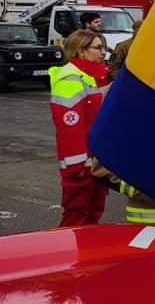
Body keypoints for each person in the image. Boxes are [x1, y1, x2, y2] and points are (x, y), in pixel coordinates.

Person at [49, 29, 110, 227]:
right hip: (80, 167)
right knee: (75, 219)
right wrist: (77, 167)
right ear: (81, 51)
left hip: (94, 163)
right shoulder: (70, 80)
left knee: (92, 216)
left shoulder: (94, 76)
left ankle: (87, 256)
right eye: (98, 48)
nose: (103, 52)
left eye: (104, 47)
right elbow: (70, 128)